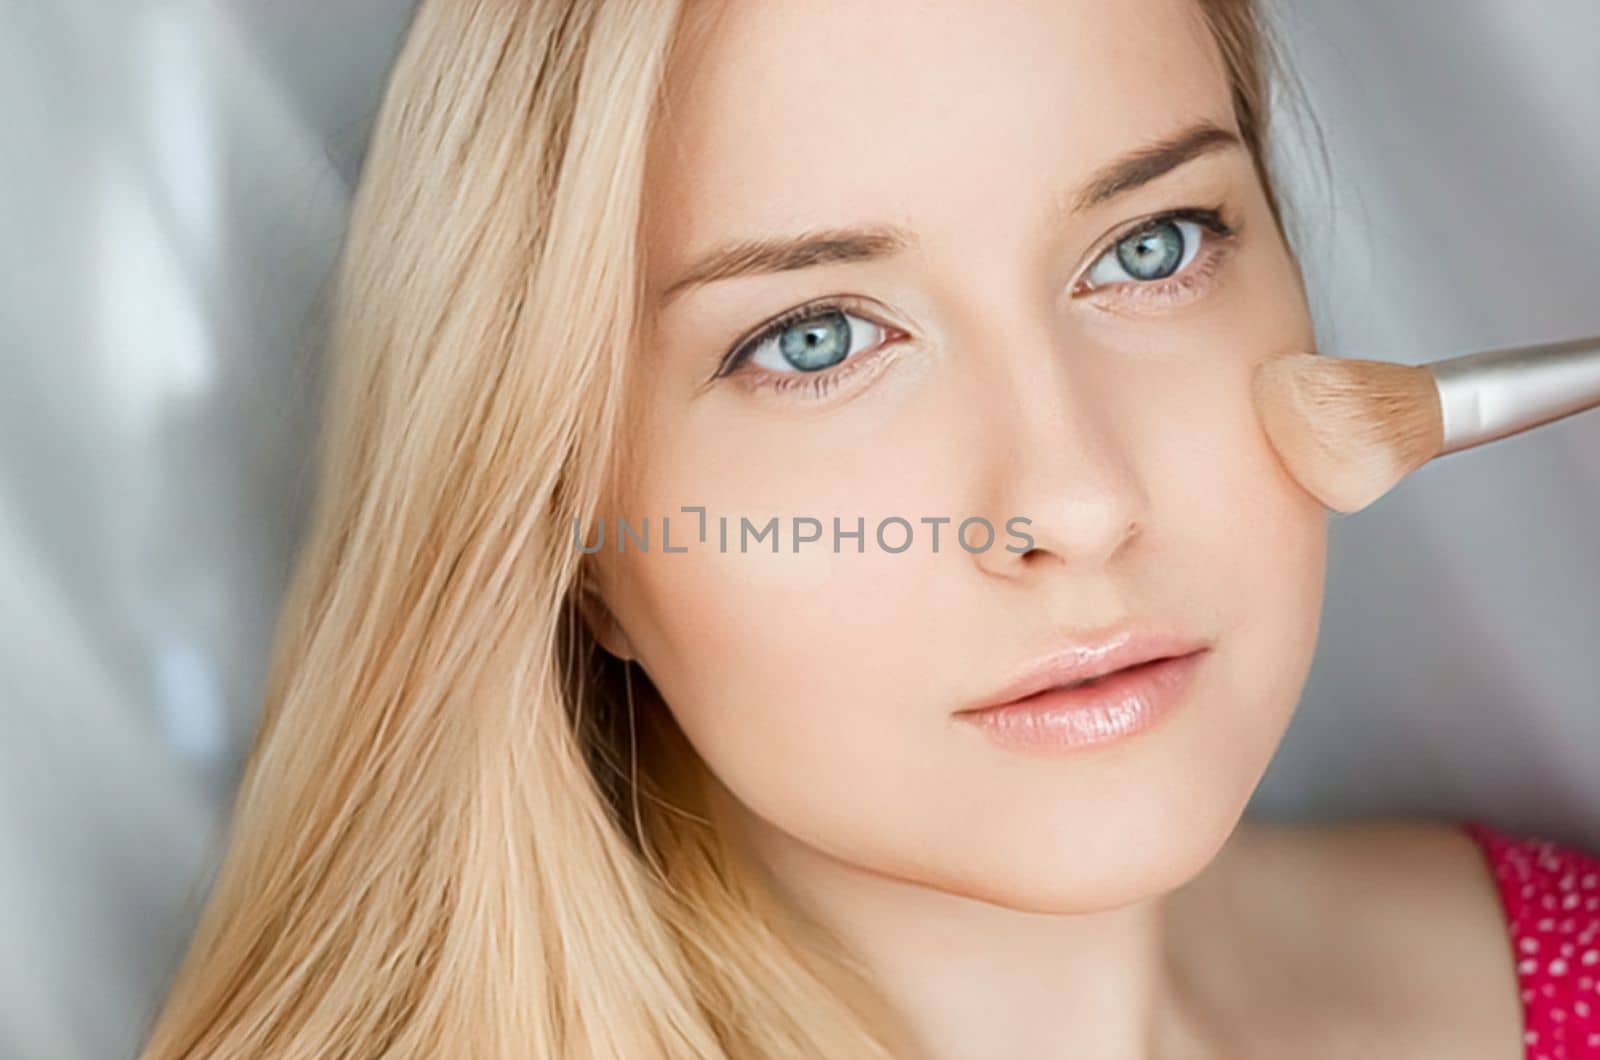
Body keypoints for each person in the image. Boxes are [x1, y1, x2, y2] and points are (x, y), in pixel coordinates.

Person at [139, 1, 1600, 1057]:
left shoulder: (1564, 960)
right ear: (569, 544)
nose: (1077, 500)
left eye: (1147, 249)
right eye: (818, 337)